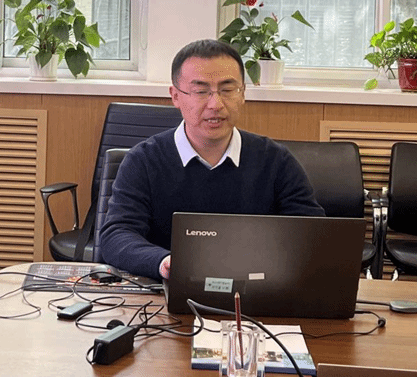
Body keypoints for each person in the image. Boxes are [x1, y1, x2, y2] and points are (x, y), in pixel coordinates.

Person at [99, 39, 325, 280]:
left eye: (227, 90)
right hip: (167, 291)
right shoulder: (143, 161)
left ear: (243, 94)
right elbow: (116, 235)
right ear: (175, 96)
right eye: (200, 91)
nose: (216, 104)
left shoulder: (276, 161)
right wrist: (164, 262)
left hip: (256, 291)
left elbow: (313, 233)